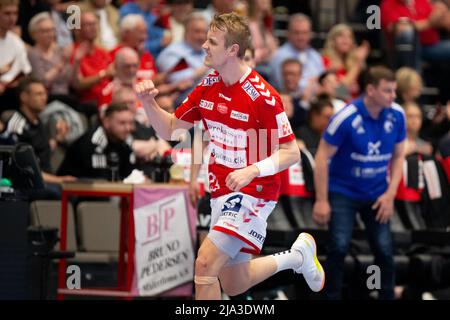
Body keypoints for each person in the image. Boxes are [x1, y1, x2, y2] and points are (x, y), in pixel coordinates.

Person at [135, 12, 324, 300]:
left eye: (212, 41)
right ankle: (297, 258)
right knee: (234, 282)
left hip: (254, 190)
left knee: (205, 264)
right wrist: (149, 103)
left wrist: (252, 171)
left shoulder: (263, 96)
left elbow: (291, 152)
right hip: (222, 190)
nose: (204, 46)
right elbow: (171, 129)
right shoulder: (209, 84)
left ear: (232, 50)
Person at [313, 66, 407, 300]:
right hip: (343, 191)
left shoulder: (397, 114)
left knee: (384, 249)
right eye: (388, 91)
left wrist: (390, 195)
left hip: (377, 192)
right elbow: (322, 157)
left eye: (394, 91)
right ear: (371, 90)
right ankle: (331, 297)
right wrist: (322, 200)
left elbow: (398, 157)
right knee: (339, 246)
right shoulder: (345, 117)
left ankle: (385, 296)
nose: (393, 96)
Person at [0, 78, 76, 197]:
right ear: (24, 97)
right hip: (25, 183)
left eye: (45, 94)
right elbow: (21, 167)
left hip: (44, 179)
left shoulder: (39, 122)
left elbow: (41, 152)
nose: (44, 98)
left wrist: (58, 139)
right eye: (38, 94)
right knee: (60, 193)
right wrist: (59, 180)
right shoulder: (17, 123)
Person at [57, 103, 136, 180]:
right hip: (72, 189)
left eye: (131, 123)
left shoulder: (125, 141)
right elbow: (100, 180)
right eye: (122, 123)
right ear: (106, 122)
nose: (128, 128)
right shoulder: (94, 141)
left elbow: (129, 174)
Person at [321, 23, 370, 99]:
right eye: (341, 36)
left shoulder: (352, 62)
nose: (345, 40)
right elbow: (338, 92)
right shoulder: (325, 61)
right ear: (332, 40)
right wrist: (358, 62)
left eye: (349, 37)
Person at [0, 0, 32, 112]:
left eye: (15, 13)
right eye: (7, 13)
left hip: (12, 93)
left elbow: (26, 71)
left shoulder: (16, 41)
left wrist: (16, 82)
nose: (12, 18)